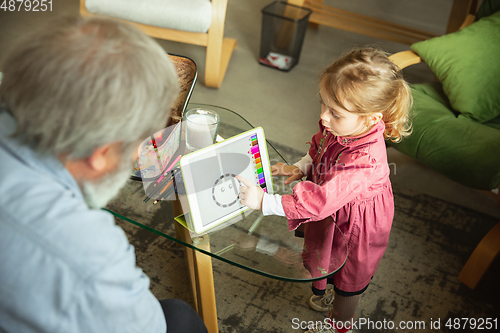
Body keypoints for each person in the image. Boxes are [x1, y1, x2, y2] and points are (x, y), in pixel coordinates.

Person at [0, 16, 207, 333]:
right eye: (140, 144)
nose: (139, 154)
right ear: (101, 154)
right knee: (180, 318)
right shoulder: (87, 252)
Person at [237, 48, 412, 333]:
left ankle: (341, 323)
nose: (324, 116)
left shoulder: (364, 162)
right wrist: (303, 165)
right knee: (323, 252)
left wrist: (265, 202)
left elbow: (318, 202)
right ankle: (325, 292)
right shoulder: (344, 125)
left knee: (348, 279)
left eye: (335, 112)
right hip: (334, 205)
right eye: (323, 103)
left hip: (357, 224)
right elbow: (322, 145)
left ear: (371, 118)